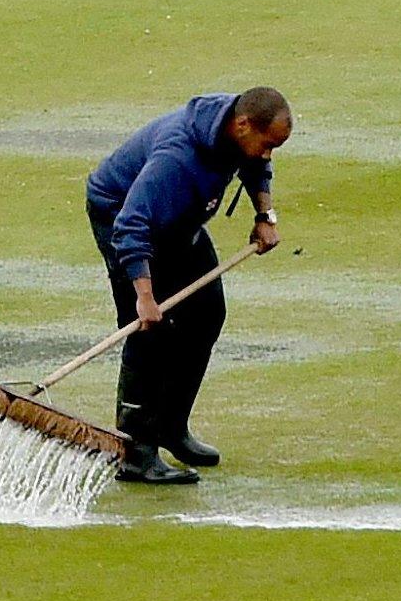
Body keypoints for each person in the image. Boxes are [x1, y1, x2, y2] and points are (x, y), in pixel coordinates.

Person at [85, 88, 291, 484]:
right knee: (149, 330)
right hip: (121, 215)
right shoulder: (176, 159)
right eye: (267, 145)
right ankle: (136, 451)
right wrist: (144, 296)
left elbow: (255, 165)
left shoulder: (239, 130)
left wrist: (265, 215)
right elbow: (132, 226)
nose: (268, 155)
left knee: (207, 311)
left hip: (181, 220)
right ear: (243, 125)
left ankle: (170, 427)